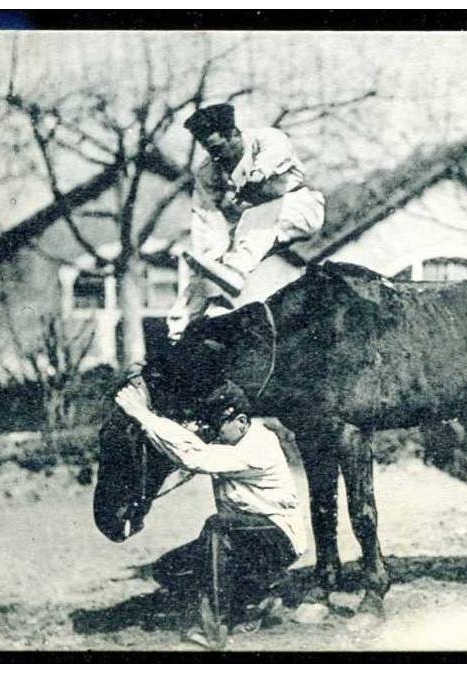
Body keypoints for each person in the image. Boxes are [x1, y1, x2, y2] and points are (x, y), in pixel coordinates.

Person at [114, 379, 306, 649]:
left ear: (241, 421)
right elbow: (186, 450)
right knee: (168, 569)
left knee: (218, 527)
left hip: (278, 538)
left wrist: (143, 415)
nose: (212, 433)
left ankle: (214, 631)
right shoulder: (233, 440)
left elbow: (196, 456)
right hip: (244, 539)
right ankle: (255, 599)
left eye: (217, 426)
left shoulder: (259, 445)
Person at [166, 103, 326, 340]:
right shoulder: (209, 170)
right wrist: (208, 259)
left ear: (233, 134)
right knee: (202, 264)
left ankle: (235, 270)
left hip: (301, 208)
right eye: (210, 150)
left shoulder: (265, 139)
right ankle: (181, 329)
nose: (216, 156)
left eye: (218, 148)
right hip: (259, 230)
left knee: (255, 217)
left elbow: (276, 152)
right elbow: (206, 216)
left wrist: (260, 172)